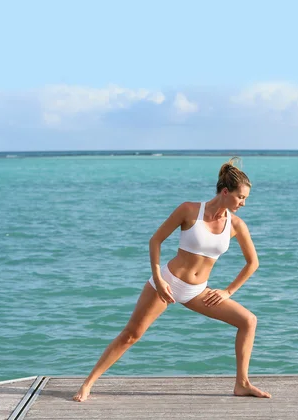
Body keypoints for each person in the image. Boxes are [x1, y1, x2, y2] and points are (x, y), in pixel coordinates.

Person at [73, 157, 270, 401]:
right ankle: (88, 383)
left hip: (198, 291)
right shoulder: (189, 210)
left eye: (246, 199)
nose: (243, 203)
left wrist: (228, 291)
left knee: (248, 321)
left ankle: (242, 383)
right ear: (226, 191)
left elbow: (253, 263)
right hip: (167, 282)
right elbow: (155, 240)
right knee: (131, 335)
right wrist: (158, 276)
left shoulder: (236, 225)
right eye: (241, 197)